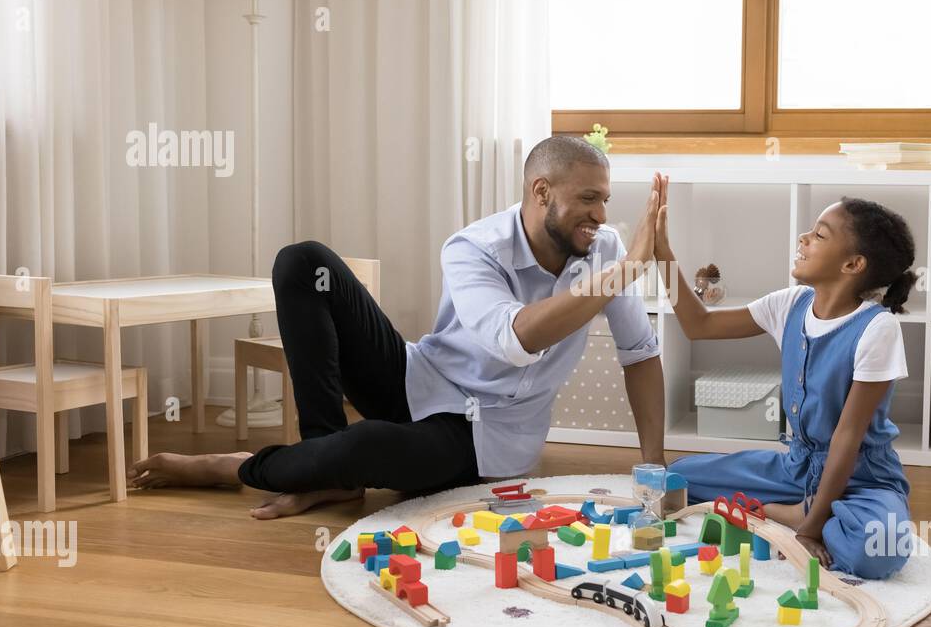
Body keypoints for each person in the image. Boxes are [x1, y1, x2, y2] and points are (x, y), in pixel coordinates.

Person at [129, 137, 667, 518]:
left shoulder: (605, 254)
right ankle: (323, 460)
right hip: (417, 377)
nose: (600, 215)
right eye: (588, 198)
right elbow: (515, 337)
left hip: (483, 436)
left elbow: (639, 354)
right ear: (542, 191)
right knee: (304, 262)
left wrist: (654, 468)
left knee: (366, 445)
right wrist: (622, 272)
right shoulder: (474, 247)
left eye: (606, 200)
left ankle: (244, 469)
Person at [655, 178, 915, 579]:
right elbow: (697, 323)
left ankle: (797, 514)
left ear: (852, 264)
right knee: (679, 477)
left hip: (863, 479)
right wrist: (662, 253)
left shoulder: (877, 328)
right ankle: (795, 510)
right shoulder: (791, 303)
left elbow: (846, 439)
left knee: (880, 549)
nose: (803, 238)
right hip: (796, 468)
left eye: (819, 235)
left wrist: (808, 531)